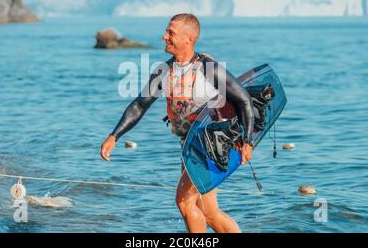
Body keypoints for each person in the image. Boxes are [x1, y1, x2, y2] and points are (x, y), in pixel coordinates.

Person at [100, 13, 255, 233]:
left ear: (188, 39)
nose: (164, 37)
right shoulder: (164, 71)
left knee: (184, 201)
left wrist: (247, 141)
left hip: (212, 145)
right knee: (208, 210)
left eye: (171, 33)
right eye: (166, 31)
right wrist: (114, 136)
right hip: (189, 145)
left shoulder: (207, 68)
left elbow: (244, 100)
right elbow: (139, 105)